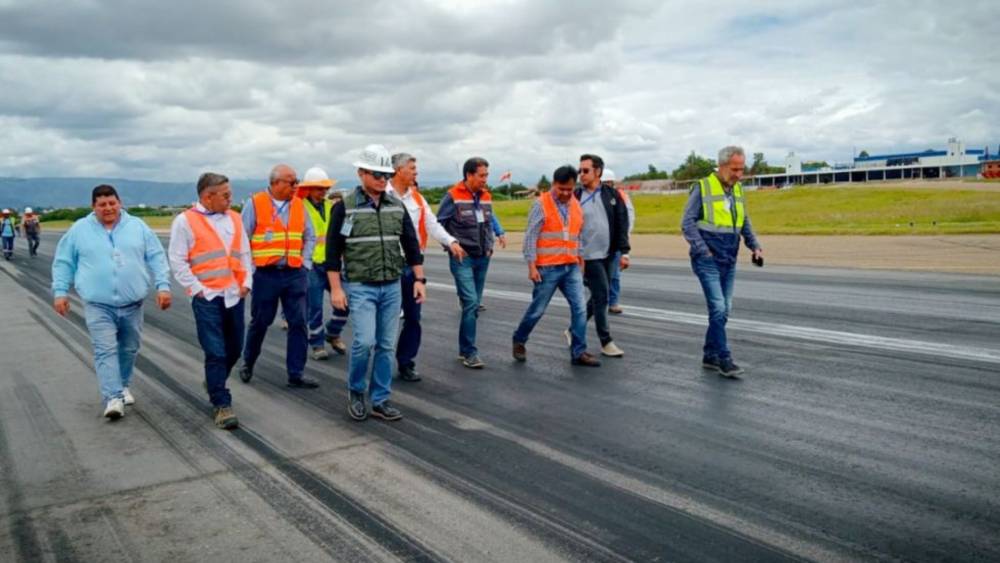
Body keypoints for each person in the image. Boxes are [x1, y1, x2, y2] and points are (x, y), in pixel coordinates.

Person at [51, 185, 172, 419]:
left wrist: (163, 286)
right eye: (102, 204)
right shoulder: (79, 230)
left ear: (119, 203)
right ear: (93, 207)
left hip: (132, 304)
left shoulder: (137, 227)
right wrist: (60, 292)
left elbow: (156, 256)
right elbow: (64, 262)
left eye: (112, 203)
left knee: (129, 348)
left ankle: (123, 385)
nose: (108, 208)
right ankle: (113, 398)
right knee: (104, 350)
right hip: (98, 304)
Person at [326, 144, 426, 422]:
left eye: (386, 175)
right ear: (361, 173)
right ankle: (357, 391)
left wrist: (419, 279)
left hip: (392, 285)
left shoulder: (397, 206)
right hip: (361, 285)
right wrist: (336, 288)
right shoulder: (344, 207)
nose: (383, 180)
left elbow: (411, 244)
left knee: (386, 345)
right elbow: (332, 251)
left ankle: (380, 399)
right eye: (377, 174)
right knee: (364, 342)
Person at [168, 173, 250, 430]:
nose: (230, 198)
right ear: (207, 197)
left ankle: (214, 380)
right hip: (207, 297)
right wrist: (197, 289)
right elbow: (177, 260)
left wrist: (247, 282)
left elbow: (244, 253)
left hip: (234, 294)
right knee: (215, 351)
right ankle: (222, 403)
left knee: (235, 348)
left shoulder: (235, 218)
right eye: (225, 195)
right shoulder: (185, 221)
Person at [681, 145, 763, 378]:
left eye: (742, 169)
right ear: (722, 165)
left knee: (724, 310)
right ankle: (724, 359)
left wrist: (754, 245)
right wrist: (702, 250)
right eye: (735, 169)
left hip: (729, 257)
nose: (739, 174)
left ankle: (710, 355)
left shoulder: (737, 189)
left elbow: (743, 220)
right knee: (718, 308)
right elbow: (687, 222)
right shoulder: (703, 187)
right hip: (707, 259)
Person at [238, 164, 320, 389]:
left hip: (294, 274)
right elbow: (242, 238)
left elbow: (310, 235)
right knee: (260, 321)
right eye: (291, 182)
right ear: (275, 183)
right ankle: (248, 362)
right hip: (266, 275)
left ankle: (296, 373)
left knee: (299, 323)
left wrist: (305, 264)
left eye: (297, 182)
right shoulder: (255, 204)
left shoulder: (299, 205)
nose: (295, 186)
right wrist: (250, 270)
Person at [387, 153, 466, 382]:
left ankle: (406, 362)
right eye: (412, 168)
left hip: (412, 267)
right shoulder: (382, 195)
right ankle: (378, 362)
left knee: (413, 318)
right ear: (398, 170)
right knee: (386, 320)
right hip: (387, 267)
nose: (416, 172)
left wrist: (451, 241)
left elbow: (432, 224)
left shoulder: (417, 199)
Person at [512, 166, 600, 366]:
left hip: (571, 266)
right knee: (538, 310)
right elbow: (531, 237)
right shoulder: (540, 204)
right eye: (561, 189)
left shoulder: (575, 204)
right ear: (553, 184)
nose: (566, 193)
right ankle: (519, 339)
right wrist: (531, 266)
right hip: (547, 268)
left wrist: (581, 259)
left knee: (580, 309)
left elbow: (577, 234)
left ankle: (578, 352)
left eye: (570, 189)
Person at [437, 157, 495, 369]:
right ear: (469, 175)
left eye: (486, 175)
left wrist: (490, 245)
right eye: (481, 175)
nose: (485, 179)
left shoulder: (486, 196)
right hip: (463, 258)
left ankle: (464, 349)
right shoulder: (452, 196)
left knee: (474, 304)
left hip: (482, 258)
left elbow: (488, 223)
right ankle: (470, 352)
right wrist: (450, 246)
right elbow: (438, 224)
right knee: (471, 302)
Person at [575, 154, 631, 357]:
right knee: (602, 297)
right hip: (587, 256)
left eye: (586, 170)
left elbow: (622, 223)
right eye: (579, 170)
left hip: (609, 253)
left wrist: (624, 252)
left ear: (598, 171)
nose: (581, 174)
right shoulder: (574, 196)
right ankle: (606, 341)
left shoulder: (612, 195)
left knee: (600, 296)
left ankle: (573, 330)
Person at [296, 166, 348, 361]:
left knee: (346, 302)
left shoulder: (332, 206)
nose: (323, 192)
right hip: (312, 264)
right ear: (308, 188)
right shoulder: (299, 208)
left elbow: (342, 230)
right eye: (319, 188)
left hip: (332, 263)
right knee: (315, 307)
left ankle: (333, 332)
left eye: (325, 188)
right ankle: (317, 344)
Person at [603, 170, 634, 314]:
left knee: (614, 275)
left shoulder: (621, 196)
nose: (606, 185)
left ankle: (613, 302)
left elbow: (629, 219)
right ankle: (599, 301)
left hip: (614, 243)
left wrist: (624, 242)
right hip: (598, 243)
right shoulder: (592, 195)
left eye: (608, 183)